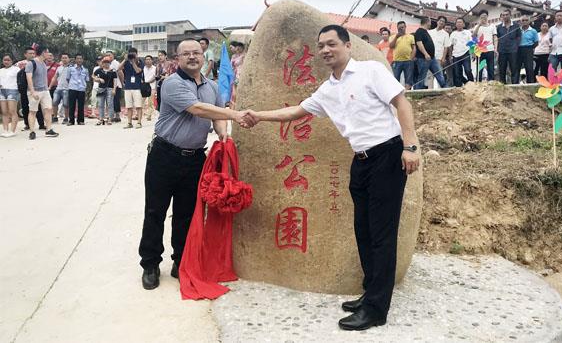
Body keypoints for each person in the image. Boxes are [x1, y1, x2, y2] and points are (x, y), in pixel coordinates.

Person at [244, 24, 420, 331]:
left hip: (388, 155)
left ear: (347, 45)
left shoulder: (370, 71)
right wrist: (258, 116)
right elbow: (297, 112)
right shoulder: (328, 89)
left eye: (331, 44)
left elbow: (401, 103)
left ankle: (377, 309)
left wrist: (411, 145)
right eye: (321, 46)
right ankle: (371, 292)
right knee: (363, 230)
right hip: (360, 160)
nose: (326, 50)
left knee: (382, 234)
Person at [138, 39, 252, 290]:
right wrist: (235, 115)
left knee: (187, 214)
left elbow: (216, 113)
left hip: (195, 159)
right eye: (186, 53)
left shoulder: (212, 86)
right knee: (155, 211)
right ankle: (150, 263)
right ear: (177, 59)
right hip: (164, 155)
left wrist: (222, 133)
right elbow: (198, 109)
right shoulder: (172, 84)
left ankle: (181, 261)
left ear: (203, 56)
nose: (192, 57)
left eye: (196, 53)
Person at [25, 45, 59, 139]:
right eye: (47, 52)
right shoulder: (31, 63)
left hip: (45, 91)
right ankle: (32, 132)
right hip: (35, 91)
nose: (49, 54)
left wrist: (47, 88)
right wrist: (33, 92)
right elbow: (29, 78)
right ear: (43, 52)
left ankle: (49, 129)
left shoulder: (43, 63)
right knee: (33, 111)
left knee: (48, 109)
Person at [413, 17, 446, 89]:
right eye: (430, 22)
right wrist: (425, 54)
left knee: (439, 73)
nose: (430, 24)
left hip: (432, 58)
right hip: (423, 58)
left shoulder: (426, 31)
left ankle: (445, 87)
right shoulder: (419, 31)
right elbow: (419, 44)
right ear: (427, 22)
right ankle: (418, 91)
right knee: (422, 76)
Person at [17, 47, 44, 131]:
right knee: (25, 107)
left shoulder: (38, 63)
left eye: (33, 53)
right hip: (24, 89)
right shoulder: (19, 64)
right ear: (25, 54)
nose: (32, 55)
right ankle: (27, 124)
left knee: (38, 107)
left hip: (35, 89)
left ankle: (41, 124)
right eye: (30, 53)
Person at [118, 47, 144, 129]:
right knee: (129, 106)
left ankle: (139, 122)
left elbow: (138, 71)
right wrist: (125, 60)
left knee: (138, 106)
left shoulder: (140, 62)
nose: (132, 56)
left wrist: (133, 62)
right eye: (131, 54)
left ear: (137, 54)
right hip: (128, 87)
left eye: (134, 54)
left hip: (137, 87)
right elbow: (118, 69)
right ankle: (129, 123)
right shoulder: (126, 62)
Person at [496, 9, 522, 84]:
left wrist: (515, 46)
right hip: (502, 51)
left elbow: (519, 37)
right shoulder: (499, 27)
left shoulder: (516, 25)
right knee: (502, 70)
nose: (505, 16)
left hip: (513, 51)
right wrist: (497, 50)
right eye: (503, 15)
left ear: (510, 15)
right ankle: (502, 86)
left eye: (507, 14)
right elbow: (497, 38)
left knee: (514, 69)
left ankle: (515, 86)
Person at [472, 10, 497, 81]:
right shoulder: (477, 27)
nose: (484, 18)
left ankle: (491, 83)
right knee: (480, 69)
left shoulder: (492, 26)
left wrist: (495, 48)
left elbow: (495, 37)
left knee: (490, 69)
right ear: (479, 18)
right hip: (480, 51)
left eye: (485, 16)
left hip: (490, 50)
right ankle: (478, 83)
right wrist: (479, 25)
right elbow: (473, 36)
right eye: (482, 17)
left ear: (487, 17)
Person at [389, 21, 415, 88]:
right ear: (397, 28)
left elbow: (414, 48)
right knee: (395, 80)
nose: (401, 29)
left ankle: (407, 93)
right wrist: (396, 37)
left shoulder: (411, 36)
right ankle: (397, 93)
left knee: (408, 80)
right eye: (399, 28)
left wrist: (411, 58)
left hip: (408, 61)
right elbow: (391, 46)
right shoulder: (392, 37)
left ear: (405, 27)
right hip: (397, 61)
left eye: (402, 27)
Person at [92, 57, 117, 125]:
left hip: (110, 88)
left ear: (110, 63)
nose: (106, 64)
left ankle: (110, 119)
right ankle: (101, 119)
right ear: (103, 63)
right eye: (105, 62)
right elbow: (93, 75)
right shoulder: (99, 70)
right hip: (101, 88)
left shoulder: (113, 71)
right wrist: (99, 79)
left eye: (107, 62)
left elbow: (115, 81)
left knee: (110, 104)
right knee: (100, 104)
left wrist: (114, 89)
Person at [449, 18, 474, 87]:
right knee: (457, 74)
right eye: (457, 22)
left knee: (468, 70)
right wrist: (450, 56)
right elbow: (450, 46)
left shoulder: (467, 32)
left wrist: (473, 52)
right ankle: (462, 86)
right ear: (455, 24)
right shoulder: (453, 34)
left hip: (466, 54)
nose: (459, 24)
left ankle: (472, 85)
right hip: (455, 55)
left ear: (463, 24)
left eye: (460, 22)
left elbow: (471, 43)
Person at [66, 54, 89, 125]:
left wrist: (83, 85)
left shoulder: (85, 70)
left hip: (81, 89)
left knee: (81, 105)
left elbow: (87, 79)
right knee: (71, 105)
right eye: (78, 58)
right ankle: (71, 121)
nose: (79, 60)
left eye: (80, 58)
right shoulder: (71, 68)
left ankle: (80, 120)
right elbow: (68, 78)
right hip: (73, 88)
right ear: (75, 60)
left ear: (82, 60)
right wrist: (72, 84)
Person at [0, 54, 20, 137]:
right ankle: (5, 130)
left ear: (12, 61)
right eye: (5, 60)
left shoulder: (16, 69)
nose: (6, 61)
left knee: (12, 111)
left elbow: (20, 80)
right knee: (4, 111)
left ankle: (12, 131)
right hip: (2, 91)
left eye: (8, 60)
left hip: (13, 90)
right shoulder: (1, 70)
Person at [428, 16, 451, 88]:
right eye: (440, 21)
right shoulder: (430, 32)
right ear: (437, 21)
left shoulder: (445, 34)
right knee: (429, 76)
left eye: (443, 21)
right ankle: (430, 90)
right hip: (429, 57)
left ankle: (440, 91)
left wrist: (443, 58)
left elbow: (446, 47)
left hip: (439, 58)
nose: (441, 22)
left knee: (439, 75)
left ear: (444, 24)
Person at [517, 16, 539, 83]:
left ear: (529, 21)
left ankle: (530, 83)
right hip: (518, 50)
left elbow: (536, 42)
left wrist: (530, 48)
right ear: (520, 22)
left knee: (529, 68)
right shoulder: (518, 30)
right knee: (517, 67)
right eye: (523, 20)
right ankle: (516, 83)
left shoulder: (533, 31)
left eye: (526, 20)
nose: (524, 22)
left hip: (528, 49)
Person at [51, 53, 71, 124]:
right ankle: (55, 117)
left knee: (66, 104)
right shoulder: (59, 68)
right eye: (63, 58)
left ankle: (66, 118)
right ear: (61, 59)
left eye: (66, 58)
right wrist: (50, 86)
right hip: (58, 88)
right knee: (54, 102)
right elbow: (54, 77)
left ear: (69, 59)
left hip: (67, 88)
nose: (64, 59)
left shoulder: (71, 68)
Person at [106, 51, 122, 123]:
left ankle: (117, 116)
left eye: (110, 55)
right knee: (110, 101)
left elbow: (120, 73)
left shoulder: (115, 63)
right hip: (109, 85)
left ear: (113, 55)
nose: (108, 56)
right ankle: (111, 116)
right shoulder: (107, 64)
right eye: (107, 55)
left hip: (117, 84)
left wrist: (122, 83)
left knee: (116, 100)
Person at [45, 52, 60, 120]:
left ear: (53, 57)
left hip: (55, 86)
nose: (49, 57)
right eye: (48, 55)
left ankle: (54, 115)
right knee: (47, 102)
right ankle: (48, 115)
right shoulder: (42, 64)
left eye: (51, 55)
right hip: (44, 86)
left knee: (54, 101)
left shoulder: (57, 65)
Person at [143, 55, 157, 121]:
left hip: (152, 87)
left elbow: (155, 77)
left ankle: (149, 116)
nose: (148, 61)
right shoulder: (143, 68)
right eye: (146, 59)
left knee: (150, 102)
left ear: (152, 60)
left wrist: (148, 82)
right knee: (140, 101)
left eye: (149, 59)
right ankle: (138, 114)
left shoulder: (155, 68)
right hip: (144, 87)